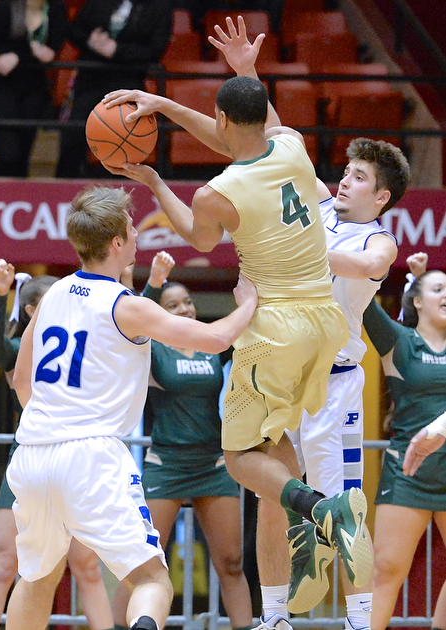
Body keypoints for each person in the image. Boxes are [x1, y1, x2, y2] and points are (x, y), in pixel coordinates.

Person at [103, 16, 374, 630]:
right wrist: (184, 96)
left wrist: (150, 179)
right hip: (324, 323)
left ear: (222, 122)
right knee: (276, 454)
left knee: (236, 458)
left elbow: (198, 239)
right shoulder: (294, 145)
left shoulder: (217, 193)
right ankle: (285, 586)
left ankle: (323, 513)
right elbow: (248, 128)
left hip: (273, 325)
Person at [204, 19, 410, 630]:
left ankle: (359, 620)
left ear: (382, 198)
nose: (345, 181)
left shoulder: (380, 239)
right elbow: (267, 133)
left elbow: (369, 265)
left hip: (336, 383)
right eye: (345, 173)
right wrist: (245, 71)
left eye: (360, 179)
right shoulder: (315, 204)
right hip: (280, 368)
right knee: (274, 501)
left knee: (347, 511)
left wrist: (299, 249)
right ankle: (274, 618)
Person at [6, 185, 258, 630]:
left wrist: (55, 419)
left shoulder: (53, 297)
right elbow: (217, 339)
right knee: (153, 581)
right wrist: (251, 303)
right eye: (131, 230)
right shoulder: (127, 306)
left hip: (33, 453)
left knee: (36, 578)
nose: (139, 237)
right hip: (90, 455)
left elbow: (23, 384)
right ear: (117, 242)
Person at [112, 251, 253, 630]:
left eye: (188, 302)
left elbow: (240, 332)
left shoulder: (211, 346)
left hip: (213, 464)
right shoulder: (152, 349)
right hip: (167, 465)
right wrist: (153, 280)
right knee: (142, 564)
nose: (185, 309)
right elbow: (132, 319)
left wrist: (251, 298)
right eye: (172, 305)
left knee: (232, 563)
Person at [0, 259, 117, 630]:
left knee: (86, 565)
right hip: (32, 459)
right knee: (6, 562)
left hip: (77, 457)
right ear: (32, 310)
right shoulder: (25, 347)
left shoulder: (84, 340)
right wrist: (0, 295)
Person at [362, 253, 446, 630]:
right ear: (416, 300)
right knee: (386, 570)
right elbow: (359, 299)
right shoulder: (399, 340)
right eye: (438, 288)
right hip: (408, 474)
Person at [54, 0, 172, 178]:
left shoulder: (159, 7)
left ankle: (115, 197)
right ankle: (62, 192)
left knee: (121, 146)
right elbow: (74, 31)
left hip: (128, 84)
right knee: (73, 136)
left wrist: (117, 50)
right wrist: (91, 41)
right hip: (90, 79)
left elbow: (155, 50)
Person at [0, 0, 68, 177]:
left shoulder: (56, 9)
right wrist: (30, 52)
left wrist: (18, 55)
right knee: (8, 154)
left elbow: (51, 50)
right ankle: (1, 198)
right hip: (0, 88)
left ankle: (13, 197)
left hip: (34, 88)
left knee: (22, 156)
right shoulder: (5, 8)